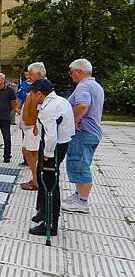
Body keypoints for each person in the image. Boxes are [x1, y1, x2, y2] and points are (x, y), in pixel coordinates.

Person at [27, 79, 75, 236]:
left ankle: (50, 224)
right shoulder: (60, 100)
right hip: (61, 143)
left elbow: (51, 136)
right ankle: (43, 211)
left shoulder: (50, 108)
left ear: (39, 93)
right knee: (43, 179)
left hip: (54, 147)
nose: (31, 97)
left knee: (50, 185)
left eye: (32, 94)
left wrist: (47, 154)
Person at [62, 58, 104, 214]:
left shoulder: (83, 86)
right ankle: (79, 195)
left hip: (83, 133)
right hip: (93, 132)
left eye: (71, 71)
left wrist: (74, 120)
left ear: (79, 72)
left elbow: (83, 105)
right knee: (82, 162)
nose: (70, 75)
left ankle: (82, 201)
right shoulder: (95, 85)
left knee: (79, 164)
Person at [18, 62, 46, 187]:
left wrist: (35, 124)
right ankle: (35, 178)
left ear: (39, 74)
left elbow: (41, 107)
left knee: (32, 151)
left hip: (35, 127)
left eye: (31, 74)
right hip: (29, 126)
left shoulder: (43, 87)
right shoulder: (34, 86)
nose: (28, 76)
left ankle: (37, 180)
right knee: (27, 151)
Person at [15, 68, 32, 166]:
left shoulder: (38, 84)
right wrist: (17, 107)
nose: (27, 77)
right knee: (24, 136)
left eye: (29, 74)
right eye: (26, 75)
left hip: (35, 114)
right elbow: (20, 98)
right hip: (24, 114)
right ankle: (26, 159)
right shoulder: (24, 84)